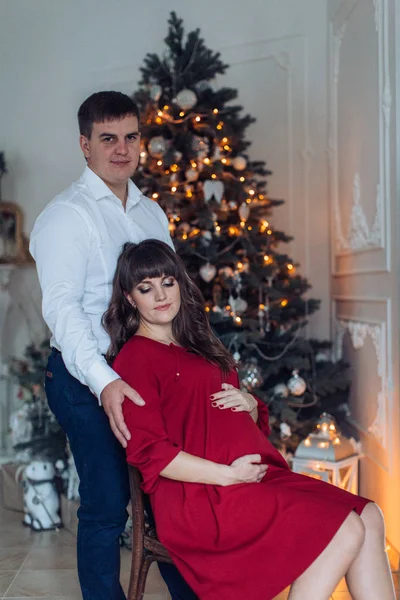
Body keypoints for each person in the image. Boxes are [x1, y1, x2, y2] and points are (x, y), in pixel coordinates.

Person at [104, 238, 396, 600]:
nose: (161, 296)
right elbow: (150, 452)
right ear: (131, 298)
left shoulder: (196, 341)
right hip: (202, 495)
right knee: (345, 529)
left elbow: (226, 412)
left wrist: (250, 403)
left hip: (252, 477)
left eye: (168, 282)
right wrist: (229, 475)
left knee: (369, 515)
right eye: (146, 288)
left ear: (180, 282)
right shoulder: (134, 358)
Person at [29, 91, 197, 600]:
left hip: (147, 373)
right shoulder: (65, 216)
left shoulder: (151, 215)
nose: (121, 150)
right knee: (106, 502)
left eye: (130, 137)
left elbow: (167, 296)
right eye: (108, 139)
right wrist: (106, 383)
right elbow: (63, 311)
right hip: (86, 379)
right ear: (85, 145)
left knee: (170, 494)